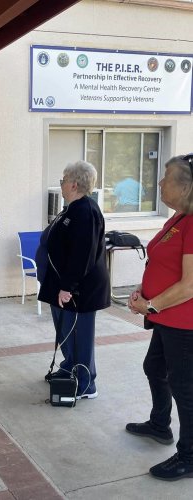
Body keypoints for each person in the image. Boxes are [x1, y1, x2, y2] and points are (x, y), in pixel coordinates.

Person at [127, 154, 193, 481]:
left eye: (167, 176)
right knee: (154, 368)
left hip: (183, 322)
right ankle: (159, 424)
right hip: (166, 318)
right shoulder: (178, 219)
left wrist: (151, 305)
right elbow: (160, 263)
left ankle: (190, 456)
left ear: (186, 186)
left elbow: (190, 285)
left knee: (185, 386)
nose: (160, 182)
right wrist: (142, 288)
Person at [38, 160, 110, 399]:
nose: (61, 184)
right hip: (60, 284)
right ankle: (70, 367)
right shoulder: (71, 208)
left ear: (74, 184)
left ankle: (86, 384)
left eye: (63, 180)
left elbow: (83, 254)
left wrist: (67, 287)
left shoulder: (85, 210)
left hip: (80, 290)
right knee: (66, 332)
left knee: (79, 335)